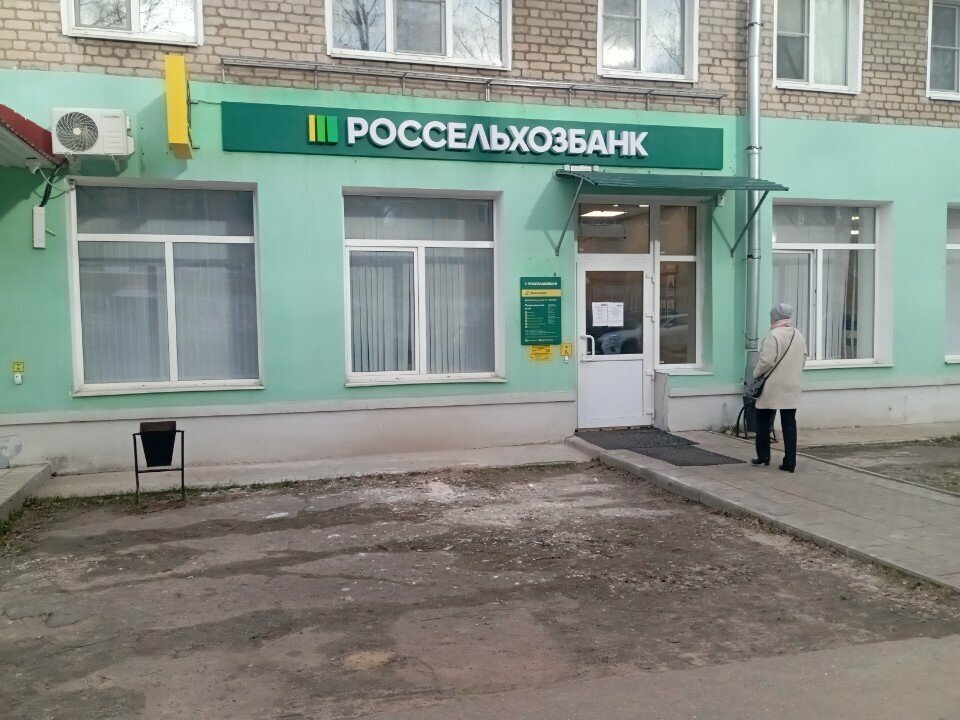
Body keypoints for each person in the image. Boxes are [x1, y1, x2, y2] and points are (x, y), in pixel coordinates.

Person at [751, 303, 808, 472]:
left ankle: (763, 456)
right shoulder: (798, 334)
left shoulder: (774, 335)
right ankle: (790, 462)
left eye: (771, 316)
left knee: (763, 418)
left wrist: (755, 374)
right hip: (792, 384)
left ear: (775, 317)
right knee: (789, 422)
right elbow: (804, 358)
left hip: (773, 385)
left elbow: (766, 361)